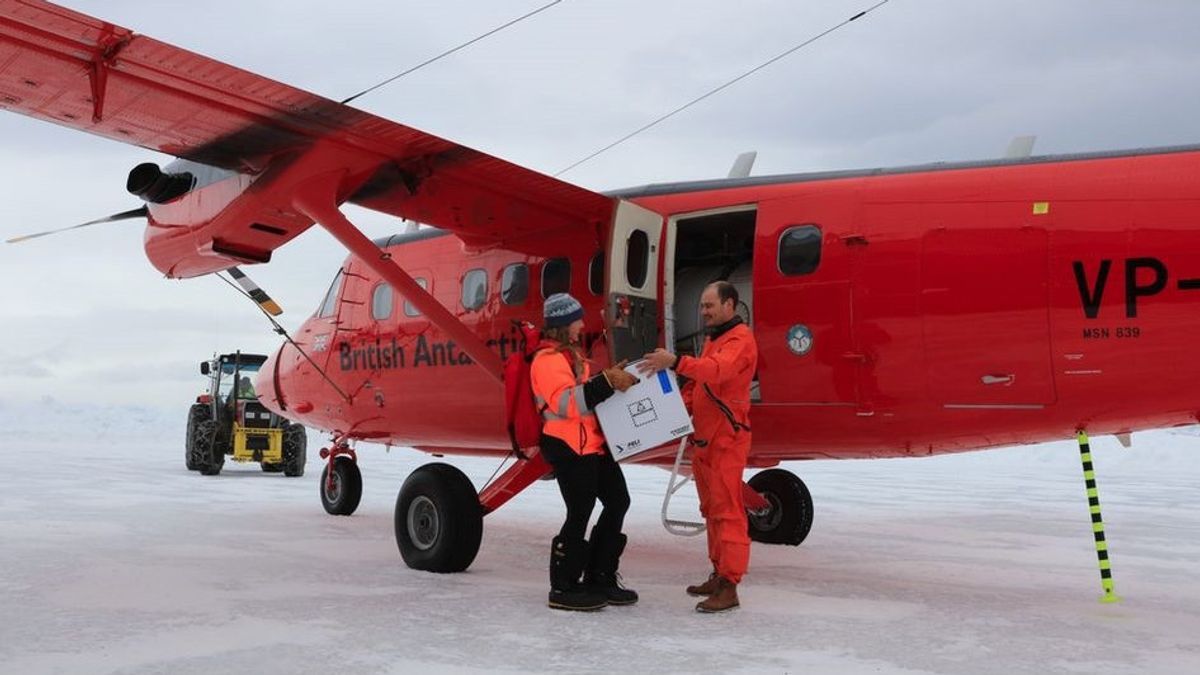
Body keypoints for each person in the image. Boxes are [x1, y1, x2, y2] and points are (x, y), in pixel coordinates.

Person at [639, 281, 758, 613]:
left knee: (728, 512)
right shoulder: (715, 339)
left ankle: (730, 585)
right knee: (711, 512)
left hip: (726, 441)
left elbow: (716, 372)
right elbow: (702, 387)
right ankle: (719, 573)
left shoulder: (740, 341)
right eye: (702, 306)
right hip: (705, 440)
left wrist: (674, 362)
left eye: (710, 306)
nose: (704, 312)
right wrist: (675, 409)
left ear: (730, 304)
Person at [531, 292, 640, 611]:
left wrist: (607, 379)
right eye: (576, 319)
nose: (582, 324)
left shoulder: (568, 357)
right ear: (564, 324)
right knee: (579, 511)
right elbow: (566, 404)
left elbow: (582, 395)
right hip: (567, 447)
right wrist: (606, 382)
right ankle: (562, 587)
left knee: (618, 500)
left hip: (590, 444)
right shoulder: (547, 361)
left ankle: (600, 576)